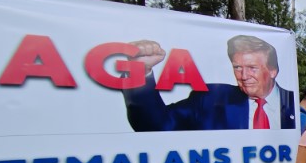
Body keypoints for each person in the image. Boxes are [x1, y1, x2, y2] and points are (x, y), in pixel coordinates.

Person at [123, 35, 296, 130]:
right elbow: (156, 126)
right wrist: (140, 70)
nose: (243, 75)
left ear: (273, 70)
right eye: (237, 67)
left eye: (252, 67)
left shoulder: (297, 108)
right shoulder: (211, 100)